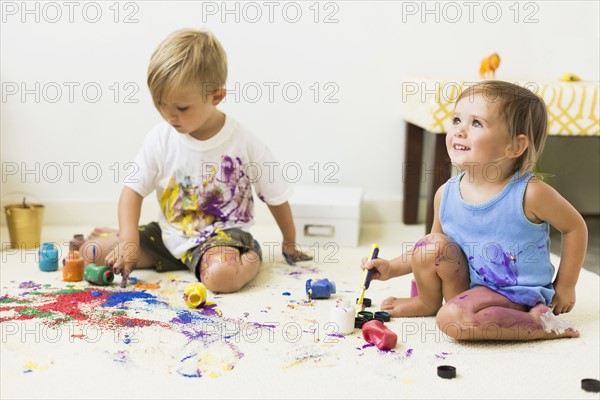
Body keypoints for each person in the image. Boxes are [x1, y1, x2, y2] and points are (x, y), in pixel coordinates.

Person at [84, 28, 311, 292]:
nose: (170, 116)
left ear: (216, 96)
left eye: (181, 108)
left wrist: (289, 243)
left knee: (220, 278)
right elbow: (131, 191)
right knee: (88, 252)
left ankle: (249, 253)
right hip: (170, 238)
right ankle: (126, 238)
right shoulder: (160, 138)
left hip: (221, 240)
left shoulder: (244, 143)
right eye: (160, 104)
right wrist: (128, 238)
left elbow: (276, 196)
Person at [362, 81, 588, 340]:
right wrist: (390, 267)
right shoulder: (445, 193)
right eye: (457, 120)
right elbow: (428, 250)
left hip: (514, 293)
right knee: (433, 245)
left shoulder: (530, 193)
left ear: (514, 146)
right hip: (470, 286)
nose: (459, 131)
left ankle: (540, 324)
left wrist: (566, 286)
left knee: (452, 320)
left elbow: (575, 227)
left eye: (476, 123)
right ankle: (427, 302)